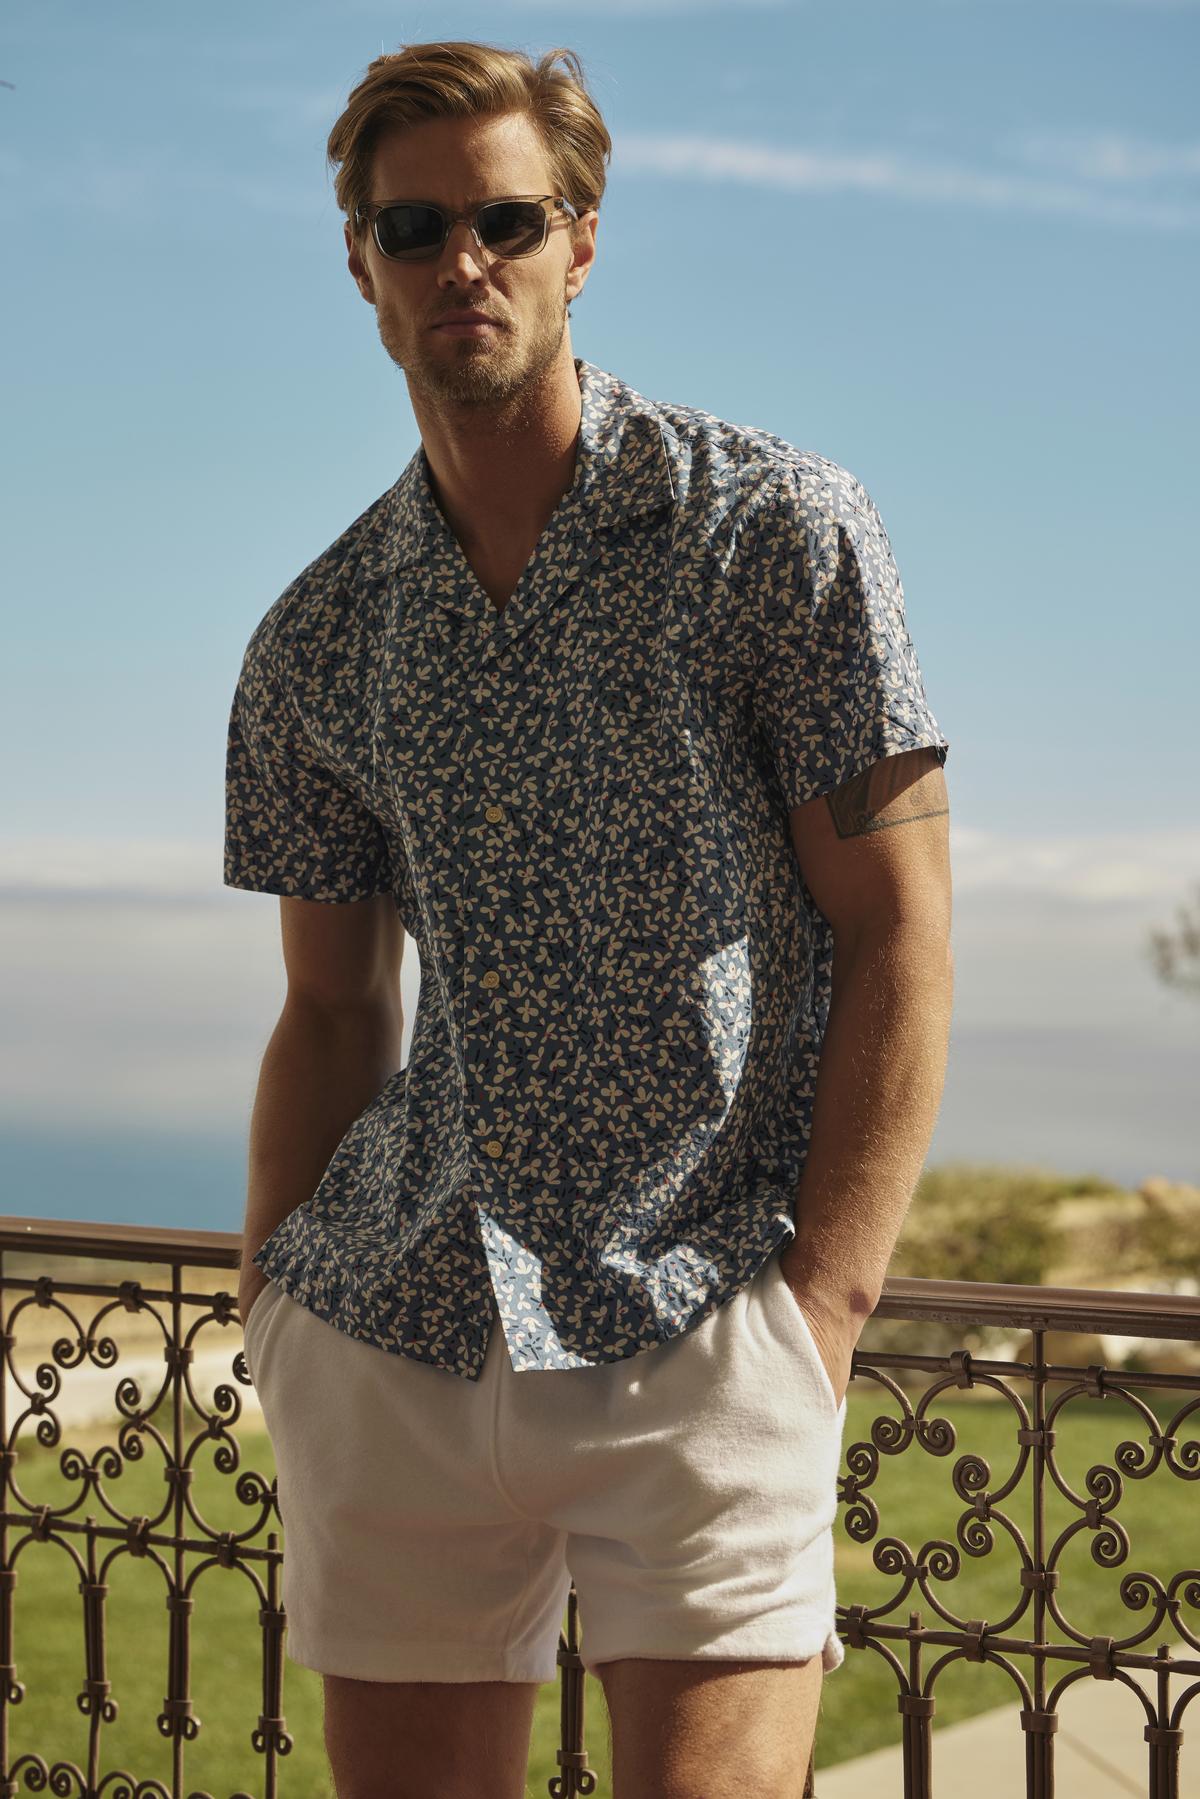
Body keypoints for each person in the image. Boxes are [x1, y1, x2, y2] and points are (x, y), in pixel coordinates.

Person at [223, 37, 953, 1799]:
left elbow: (903, 928)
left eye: (504, 218)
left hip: (701, 1320)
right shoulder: (313, 637)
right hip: (392, 1331)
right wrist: (267, 1311)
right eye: (415, 227)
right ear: (362, 267)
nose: (461, 260)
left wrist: (821, 1311)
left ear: (581, 239)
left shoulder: (776, 529)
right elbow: (332, 1014)